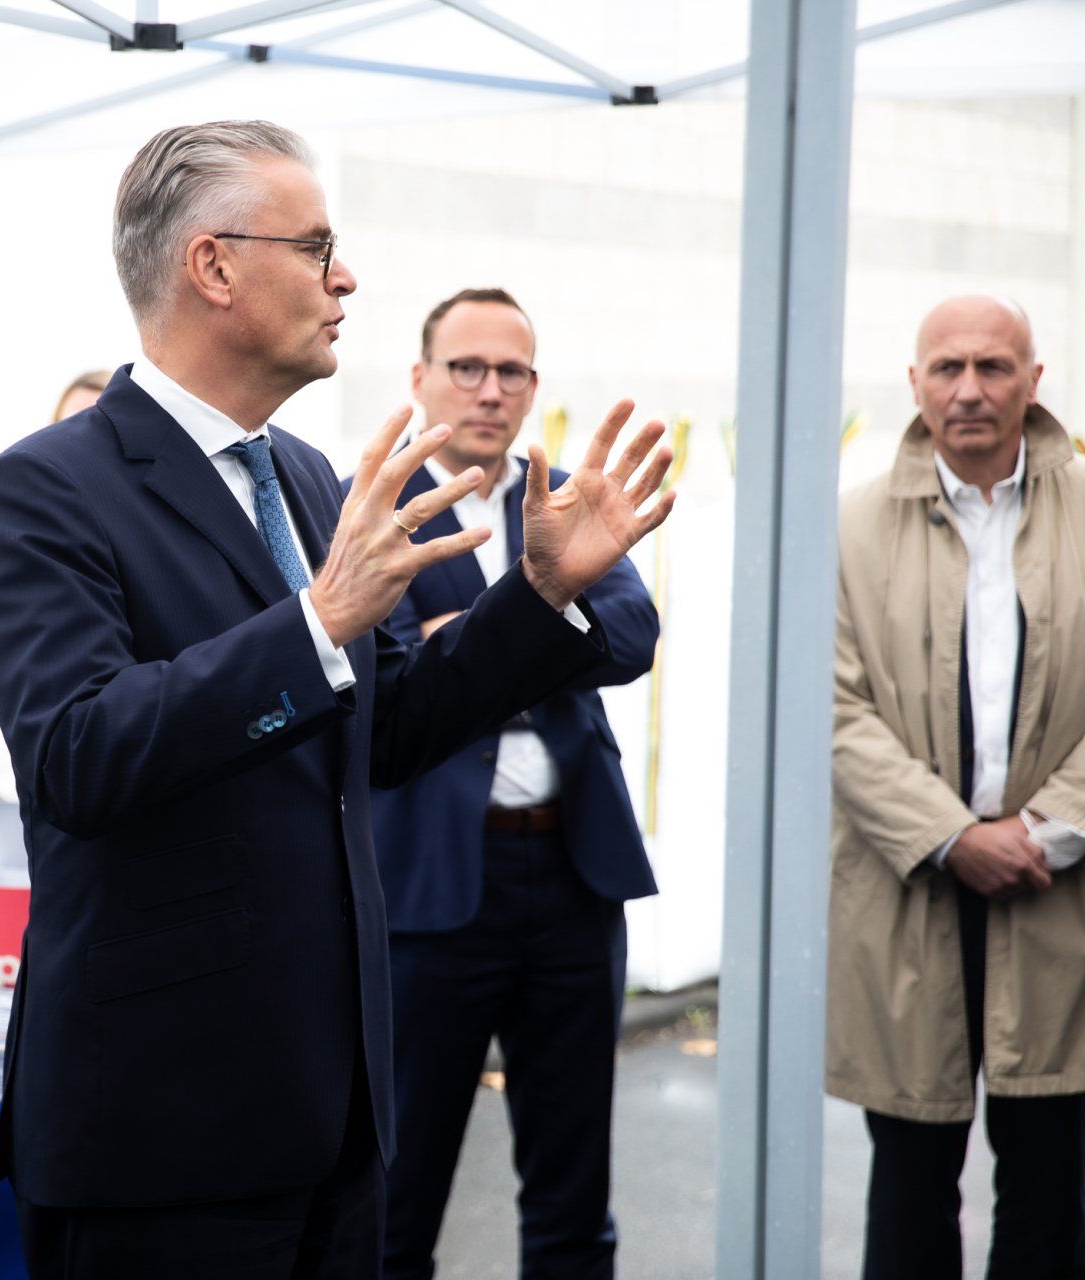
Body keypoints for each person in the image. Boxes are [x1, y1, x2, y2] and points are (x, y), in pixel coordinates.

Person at [0, 120, 675, 1278]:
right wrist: (315, 623)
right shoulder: (45, 488)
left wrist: (537, 597)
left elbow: (387, 729)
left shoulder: (298, 475)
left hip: (334, 1114)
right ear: (213, 265)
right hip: (163, 1127)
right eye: (317, 248)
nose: (346, 279)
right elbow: (77, 756)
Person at [829, 294, 1085, 1279]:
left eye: (993, 367)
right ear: (914, 383)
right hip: (907, 892)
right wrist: (951, 835)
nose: (970, 390)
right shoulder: (851, 527)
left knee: (1046, 1190)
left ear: (1033, 381)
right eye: (947, 368)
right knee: (908, 1189)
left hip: (1057, 888)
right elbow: (832, 706)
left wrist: (1047, 831)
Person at [361, 288, 658, 1280]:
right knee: (397, 1198)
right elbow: (381, 672)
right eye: (467, 368)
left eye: (511, 371)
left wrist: (477, 640)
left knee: (574, 1202)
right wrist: (545, 622)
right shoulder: (379, 510)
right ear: (421, 378)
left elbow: (634, 636)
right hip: (432, 883)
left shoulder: (568, 497)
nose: (490, 390)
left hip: (572, 872)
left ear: (534, 386)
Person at [0, 371, 110, 810]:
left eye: (98, 427)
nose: (83, 441)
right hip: (15, 819)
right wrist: (32, 770)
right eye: (70, 425)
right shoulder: (15, 554)